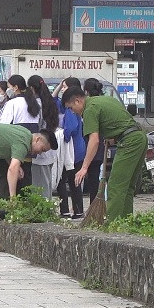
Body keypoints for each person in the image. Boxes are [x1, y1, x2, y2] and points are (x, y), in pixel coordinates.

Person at [65, 86, 145, 221]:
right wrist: (112, 137)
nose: (73, 112)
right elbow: (121, 121)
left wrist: (84, 167)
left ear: (78, 101)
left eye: (71, 108)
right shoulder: (106, 100)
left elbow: (94, 140)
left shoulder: (89, 109)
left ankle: (112, 224)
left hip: (129, 142)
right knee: (128, 186)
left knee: (115, 186)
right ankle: (126, 221)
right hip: (140, 137)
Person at [25, 75, 61, 198]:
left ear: (31, 88)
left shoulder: (36, 105)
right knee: (47, 185)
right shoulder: (50, 102)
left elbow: (36, 127)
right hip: (50, 150)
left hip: (40, 151)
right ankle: (47, 211)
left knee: (40, 189)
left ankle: (43, 214)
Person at [55, 77, 86, 219]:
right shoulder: (73, 108)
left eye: (64, 86)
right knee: (75, 182)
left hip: (72, 151)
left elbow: (70, 129)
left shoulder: (71, 110)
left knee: (65, 180)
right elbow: (53, 100)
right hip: (78, 149)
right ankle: (77, 210)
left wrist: (63, 135)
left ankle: (66, 210)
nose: (62, 89)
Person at [79, 78, 108, 202]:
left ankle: (94, 206)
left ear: (85, 92)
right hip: (100, 146)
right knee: (95, 179)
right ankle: (94, 204)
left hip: (90, 145)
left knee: (91, 179)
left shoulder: (89, 108)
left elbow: (92, 136)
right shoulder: (104, 103)